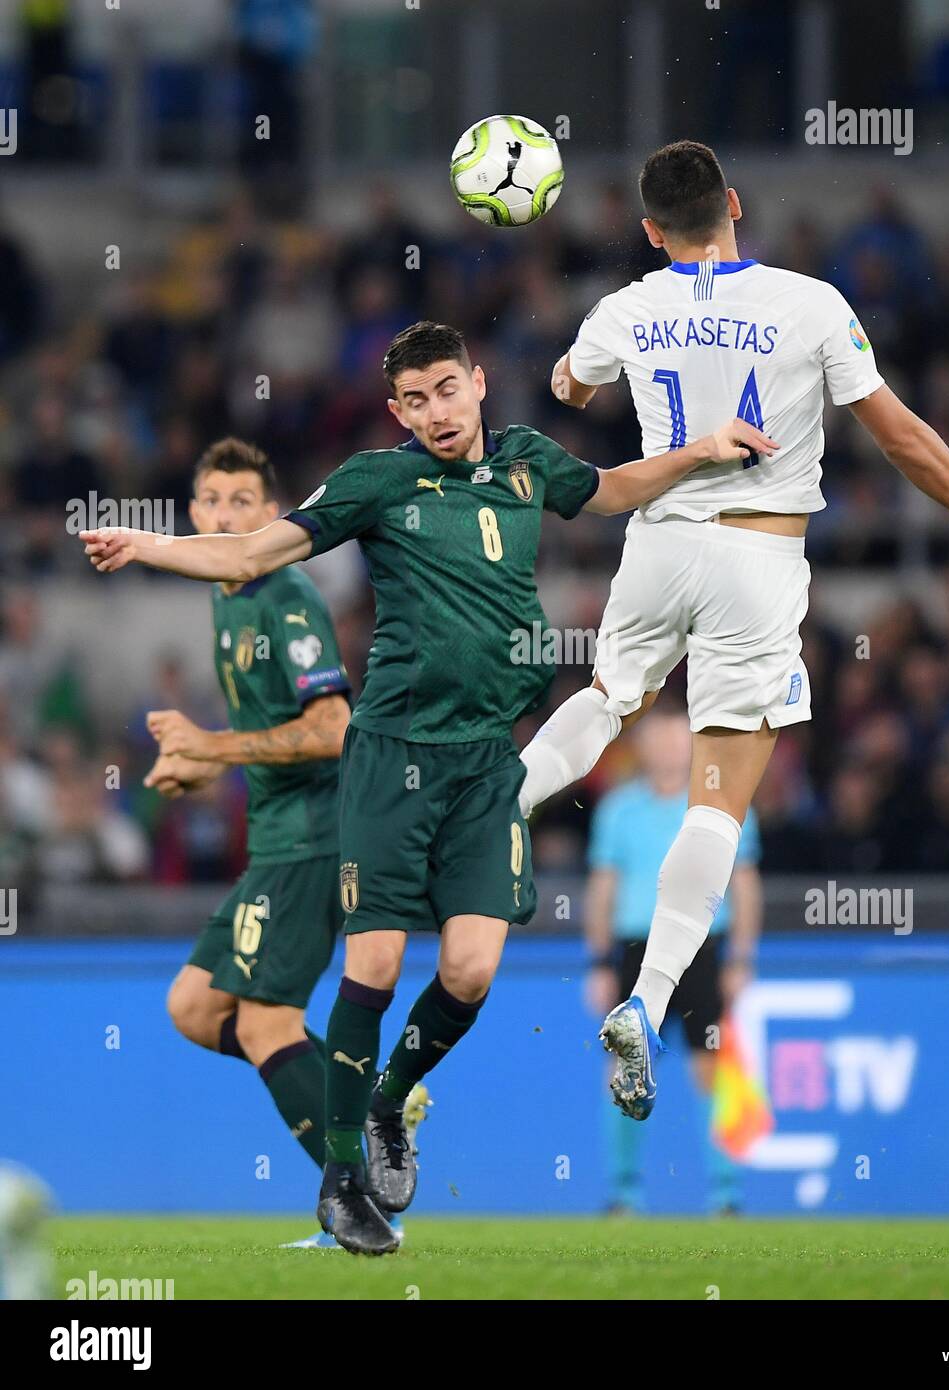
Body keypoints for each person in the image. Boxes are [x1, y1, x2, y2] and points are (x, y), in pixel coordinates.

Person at [81, 320, 775, 1255]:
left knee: (470, 970)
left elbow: (611, 491)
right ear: (395, 411)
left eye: (448, 389)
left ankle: (384, 1109)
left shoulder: (530, 462)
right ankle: (337, 1187)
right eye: (415, 399)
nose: (435, 412)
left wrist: (697, 451)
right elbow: (249, 554)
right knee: (370, 966)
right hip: (391, 758)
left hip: (489, 760)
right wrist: (148, 546)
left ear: (478, 384)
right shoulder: (377, 480)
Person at [519, 139, 949, 1120]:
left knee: (604, 699)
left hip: (659, 536)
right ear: (734, 204)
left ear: (647, 231)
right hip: (757, 560)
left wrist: (577, 368)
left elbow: (566, 388)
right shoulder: (811, 304)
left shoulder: (626, 308)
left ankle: (500, 805)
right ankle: (648, 997)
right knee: (718, 800)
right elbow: (895, 433)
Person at [144, 438, 353, 1246]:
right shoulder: (222, 594)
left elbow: (332, 729)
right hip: (274, 838)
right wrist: (196, 771)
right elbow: (268, 732)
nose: (227, 516)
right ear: (194, 516)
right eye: (213, 503)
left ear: (271, 516)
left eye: (243, 504)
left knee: (267, 1024)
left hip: (313, 838)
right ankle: (363, 1106)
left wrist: (210, 747)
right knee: (194, 1008)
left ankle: (354, 1200)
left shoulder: (286, 597)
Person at [584, 712, 761, 1213]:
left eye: (674, 738)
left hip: (703, 949)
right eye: (656, 739)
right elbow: (603, 889)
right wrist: (599, 962)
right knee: (624, 1065)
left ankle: (727, 1193)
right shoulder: (618, 810)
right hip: (634, 948)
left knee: (712, 1068)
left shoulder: (721, 804)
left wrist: (742, 958)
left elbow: (744, 885)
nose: (666, 748)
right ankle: (623, 1194)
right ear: (640, 747)